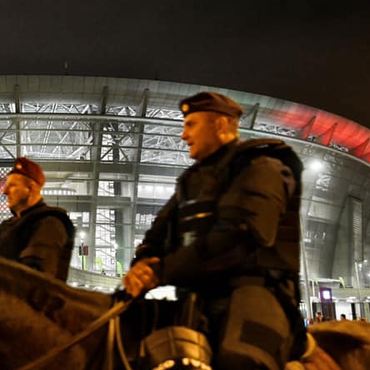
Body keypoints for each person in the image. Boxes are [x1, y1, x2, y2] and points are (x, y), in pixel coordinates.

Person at [122, 92, 305, 370]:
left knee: (241, 360)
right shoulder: (191, 179)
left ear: (220, 125)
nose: (183, 135)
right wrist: (143, 262)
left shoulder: (261, 165)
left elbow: (238, 239)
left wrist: (161, 272)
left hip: (253, 293)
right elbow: (157, 234)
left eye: (191, 124)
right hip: (197, 297)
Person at [0, 157, 75, 281]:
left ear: (30, 188)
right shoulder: (10, 225)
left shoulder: (50, 224)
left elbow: (35, 279)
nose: (5, 191)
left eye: (13, 185)